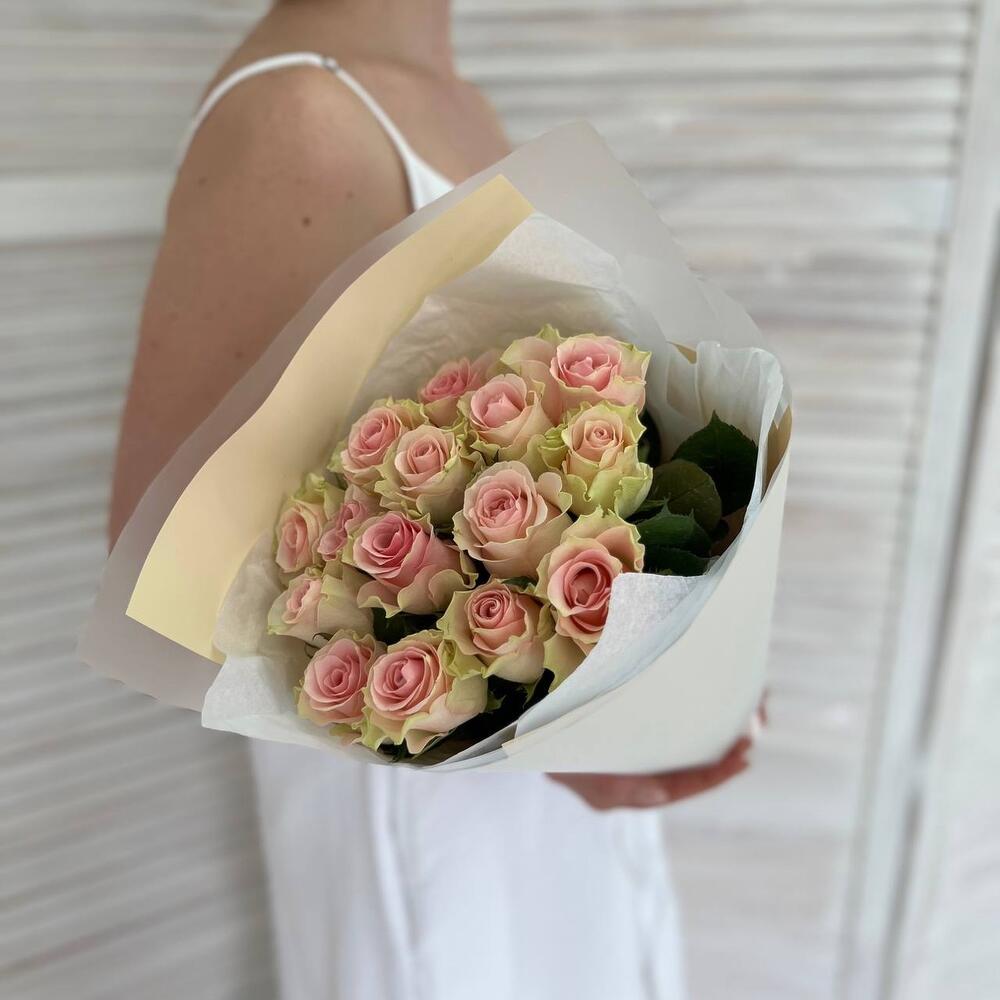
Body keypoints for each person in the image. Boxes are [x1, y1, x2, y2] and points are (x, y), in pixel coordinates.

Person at [110, 3, 753, 997]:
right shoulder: (301, 120)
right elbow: (168, 593)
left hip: (554, 797)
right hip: (429, 832)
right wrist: (532, 719)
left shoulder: (458, 100)